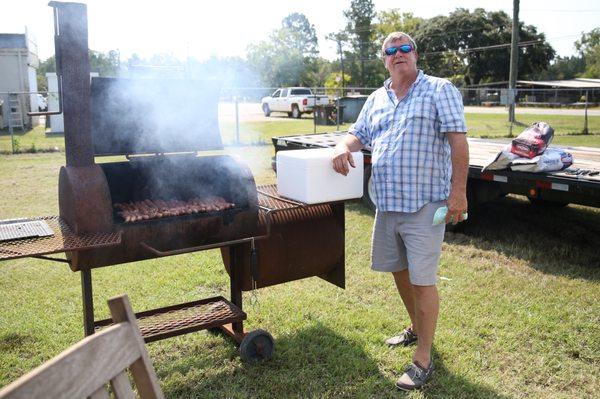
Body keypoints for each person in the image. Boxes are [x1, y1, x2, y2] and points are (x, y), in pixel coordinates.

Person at [332, 32, 468, 391]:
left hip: (427, 205)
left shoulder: (439, 90)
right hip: (386, 205)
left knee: (422, 280)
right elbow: (356, 133)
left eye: (404, 48)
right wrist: (342, 146)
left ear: (415, 54)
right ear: (384, 60)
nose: (398, 54)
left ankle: (423, 359)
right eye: (390, 51)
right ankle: (415, 327)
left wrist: (459, 193)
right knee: (399, 271)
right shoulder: (377, 98)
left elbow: (458, 142)